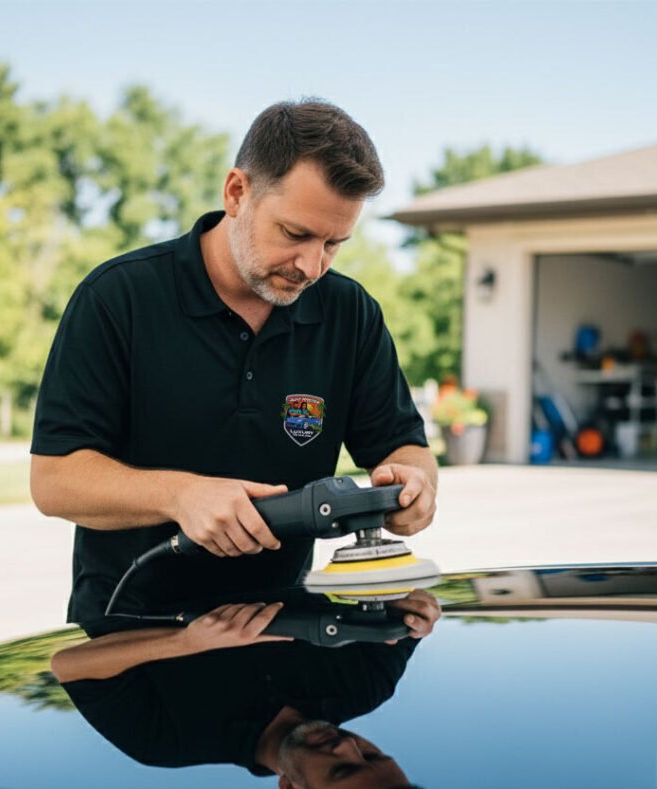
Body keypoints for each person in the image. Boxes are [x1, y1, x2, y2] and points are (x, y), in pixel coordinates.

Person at [30, 99, 437, 627]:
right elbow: (55, 479)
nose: (312, 266)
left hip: (289, 635)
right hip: (133, 640)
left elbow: (404, 446)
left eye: (334, 244)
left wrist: (417, 483)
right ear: (237, 193)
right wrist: (182, 496)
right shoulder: (118, 298)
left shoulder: (350, 313)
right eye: (295, 234)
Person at [51, 591, 442, 789]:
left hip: (131, 547)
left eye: (340, 771)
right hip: (265, 496)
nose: (348, 746)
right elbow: (399, 605)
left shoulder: (167, 742)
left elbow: (69, 664)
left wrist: (186, 642)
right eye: (372, 755)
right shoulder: (369, 683)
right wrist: (417, 609)